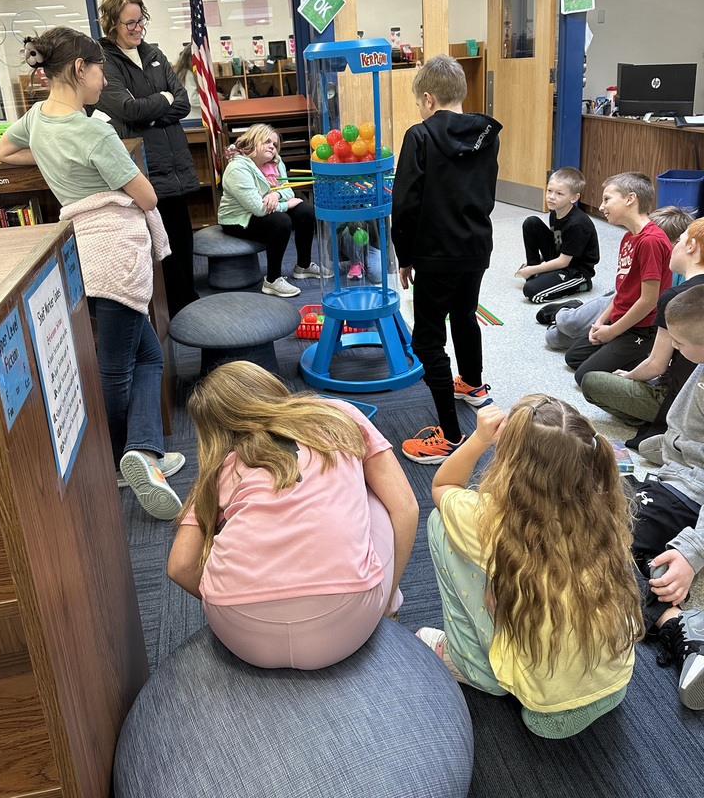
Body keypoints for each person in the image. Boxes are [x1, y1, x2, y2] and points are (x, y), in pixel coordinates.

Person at [0, 27, 184, 520]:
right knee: (119, 364)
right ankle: (129, 458)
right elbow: (147, 197)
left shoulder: (37, 118)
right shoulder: (94, 130)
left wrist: (54, 157)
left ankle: (144, 451)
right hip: (113, 249)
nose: (105, 80)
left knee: (146, 355)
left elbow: (2, 153)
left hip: (81, 251)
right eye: (100, 69)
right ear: (80, 69)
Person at [166, 361, 419, 669]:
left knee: (238, 513)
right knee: (374, 495)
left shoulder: (221, 468)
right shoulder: (337, 415)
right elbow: (406, 508)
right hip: (347, 622)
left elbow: (180, 566)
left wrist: (225, 598)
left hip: (239, 633)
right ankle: (391, 605)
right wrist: (382, 599)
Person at [417, 397, 642, 738]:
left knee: (439, 523)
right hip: (614, 681)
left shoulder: (488, 520)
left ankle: (474, 666)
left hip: (543, 704)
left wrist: (478, 440)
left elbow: (442, 486)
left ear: (510, 462)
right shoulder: (607, 504)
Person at [392, 53, 502, 462]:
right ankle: (472, 384)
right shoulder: (487, 134)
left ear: (427, 98)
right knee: (465, 312)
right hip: (476, 247)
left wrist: (405, 256)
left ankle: (451, 436)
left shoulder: (419, 136)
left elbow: (403, 205)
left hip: (436, 254)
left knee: (427, 339)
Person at [95, 0, 200, 319]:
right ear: (111, 24)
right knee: (158, 248)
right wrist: (161, 101)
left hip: (175, 165)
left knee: (183, 241)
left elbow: (181, 102)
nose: (138, 28)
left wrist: (153, 112)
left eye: (141, 21)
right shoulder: (104, 62)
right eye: (130, 23)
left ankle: (190, 305)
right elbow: (127, 109)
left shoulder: (154, 53)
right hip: (145, 170)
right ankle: (175, 313)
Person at [627, 284, 704, 710]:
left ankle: (681, 626)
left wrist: (692, 553)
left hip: (690, 492)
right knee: (598, 509)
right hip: (677, 477)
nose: (672, 347)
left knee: (604, 543)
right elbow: (685, 436)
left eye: (679, 342)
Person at [581, 216, 704, 448]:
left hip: (679, 398)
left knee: (591, 381)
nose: (673, 246)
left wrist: (628, 376)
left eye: (679, 240)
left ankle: (660, 422)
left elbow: (656, 365)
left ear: (691, 246)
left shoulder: (675, 296)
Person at [562, 172, 672, 386]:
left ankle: (647, 353)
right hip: (620, 320)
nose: (601, 207)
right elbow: (621, 290)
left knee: (583, 377)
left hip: (642, 329)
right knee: (573, 358)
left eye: (607, 199)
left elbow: (649, 300)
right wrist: (602, 321)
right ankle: (621, 349)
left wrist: (612, 331)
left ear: (630, 199)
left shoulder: (651, 240)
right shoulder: (628, 237)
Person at [218, 123, 328, 297]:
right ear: (253, 142)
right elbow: (259, 208)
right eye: (267, 141)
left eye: (275, 144)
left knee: (306, 211)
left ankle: (303, 266)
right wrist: (286, 204)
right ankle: (272, 280)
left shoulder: (276, 162)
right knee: (281, 221)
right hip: (239, 218)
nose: (272, 147)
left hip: (267, 208)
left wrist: (275, 196)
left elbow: (288, 189)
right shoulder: (237, 168)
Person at [515, 166, 599, 304]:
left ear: (574, 198)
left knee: (531, 292)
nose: (551, 197)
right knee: (531, 223)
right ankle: (533, 272)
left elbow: (563, 262)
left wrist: (533, 270)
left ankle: (580, 285)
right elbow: (558, 242)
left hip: (575, 270)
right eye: (549, 191)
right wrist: (535, 264)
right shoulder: (555, 212)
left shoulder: (577, 224)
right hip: (562, 257)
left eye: (559, 194)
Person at [172, 42, 202, 123]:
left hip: (190, 117)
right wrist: (210, 98)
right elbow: (193, 99)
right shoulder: (187, 74)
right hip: (194, 118)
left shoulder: (183, 73)